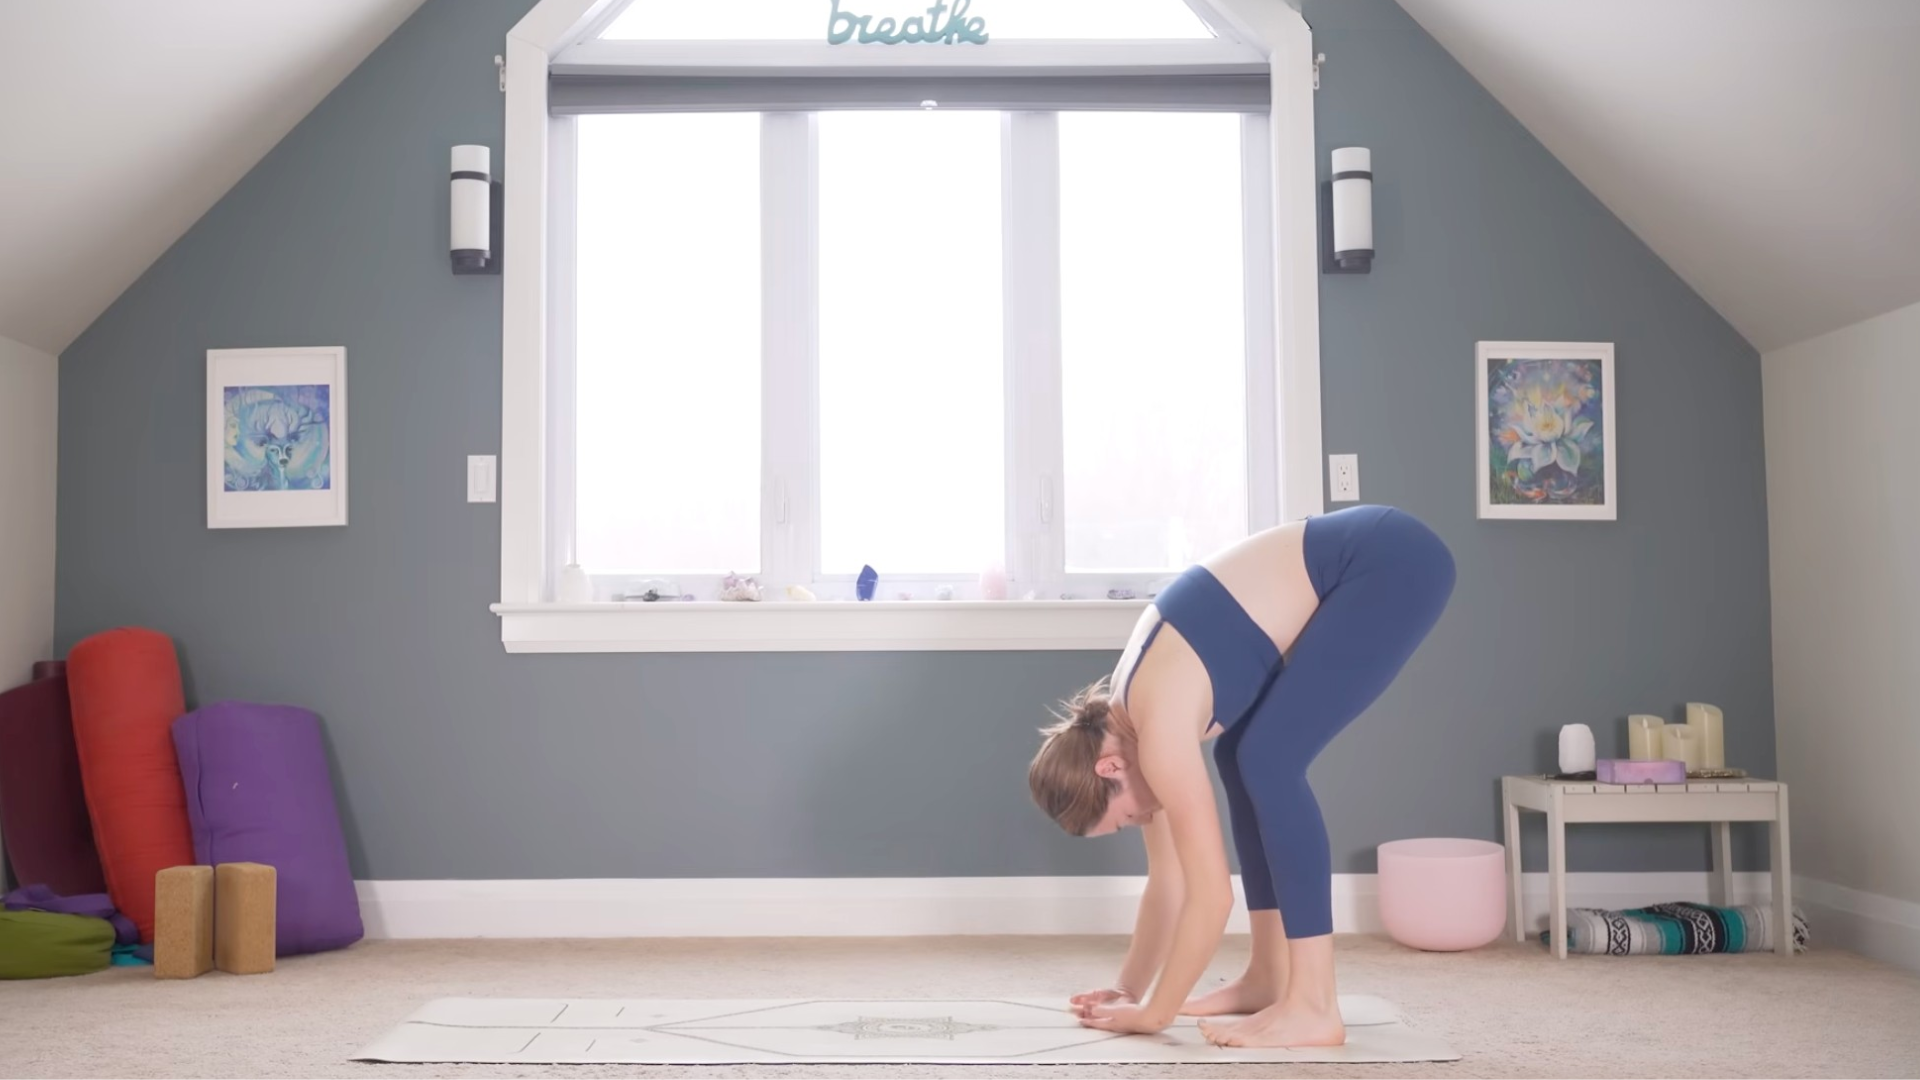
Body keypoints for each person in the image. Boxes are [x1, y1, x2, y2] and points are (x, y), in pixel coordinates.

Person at [1027, 503, 1455, 1048]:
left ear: (1108, 768)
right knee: (1240, 754)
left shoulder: (1157, 729)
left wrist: (1155, 1015)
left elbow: (1211, 898)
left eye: (1126, 817)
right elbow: (1168, 882)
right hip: (1373, 557)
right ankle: (1268, 976)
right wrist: (1126, 990)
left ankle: (1314, 1005)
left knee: (1270, 759)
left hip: (1390, 559)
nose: (1142, 819)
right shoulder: (1131, 724)